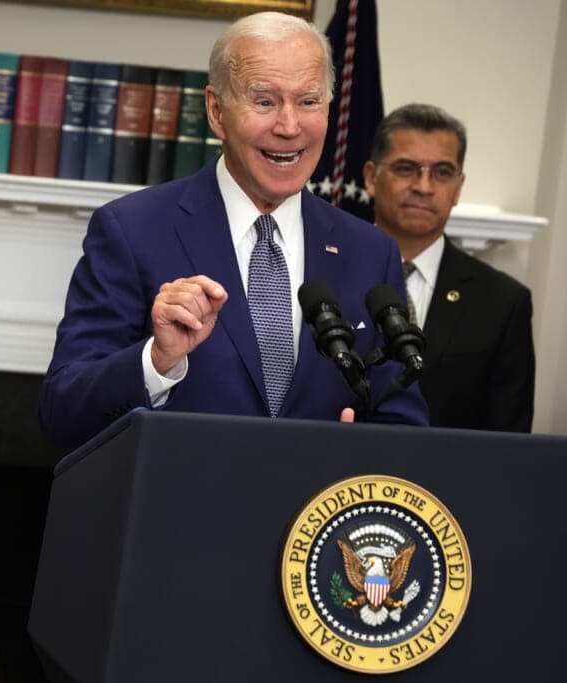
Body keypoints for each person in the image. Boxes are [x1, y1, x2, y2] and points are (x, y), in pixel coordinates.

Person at [39, 12, 428, 448]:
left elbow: (404, 426)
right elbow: (63, 411)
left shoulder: (370, 252)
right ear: (216, 110)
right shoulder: (131, 231)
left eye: (308, 101)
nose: (289, 126)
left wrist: (359, 451)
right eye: (264, 101)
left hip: (319, 511)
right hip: (183, 510)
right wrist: (158, 360)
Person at [363, 103, 535, 431]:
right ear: (372, 178)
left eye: (442, 173)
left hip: (448, 480)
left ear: (458, 187)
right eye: (406, 168)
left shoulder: (502, 302)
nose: (424, 187)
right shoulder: (325, 273)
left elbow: (508, 442)